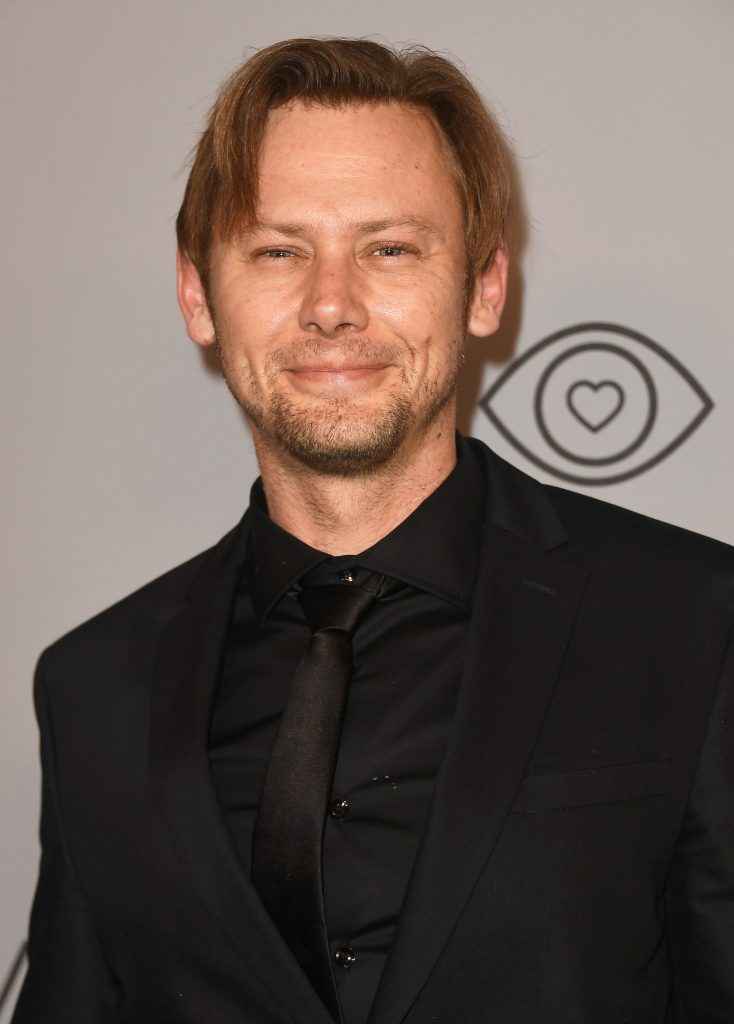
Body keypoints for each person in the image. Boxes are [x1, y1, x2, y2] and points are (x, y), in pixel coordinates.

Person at [12, 37, 734, 1024]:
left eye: (388, 249)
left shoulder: (691, 623)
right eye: (278, 251)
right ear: (197, 296)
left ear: (483, 287)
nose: (330, 306)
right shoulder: (94, 686)